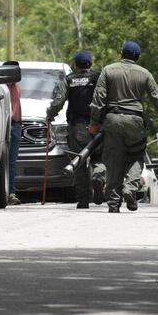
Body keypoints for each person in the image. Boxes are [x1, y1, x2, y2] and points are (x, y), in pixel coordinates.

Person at [89, 41, 158, 213]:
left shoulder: (108, 70)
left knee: (113, 160)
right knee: (136, 155)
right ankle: (130, 188)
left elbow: (99, 99)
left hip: (112, 119)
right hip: (135, 121)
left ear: (121, 54)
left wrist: (94, 122)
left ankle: (113, 202)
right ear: (138, 57)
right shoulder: (145, 73)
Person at [46, 51, 106, 208]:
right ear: (90, 64)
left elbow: (59, 101)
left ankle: (83, 199)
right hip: (97, 125)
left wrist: (50, 115)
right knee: (98, 157)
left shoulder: (69, 79)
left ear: (75, 65)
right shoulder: (98, 77)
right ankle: (99, 178)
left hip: (77, 127)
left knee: (79, 161)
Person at [4, 60, 22, 206]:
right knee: (2, 162)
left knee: (12, 162)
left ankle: (11, 192)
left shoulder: (17, 88)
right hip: (4, 126)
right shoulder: (0, 88)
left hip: (15, 126)